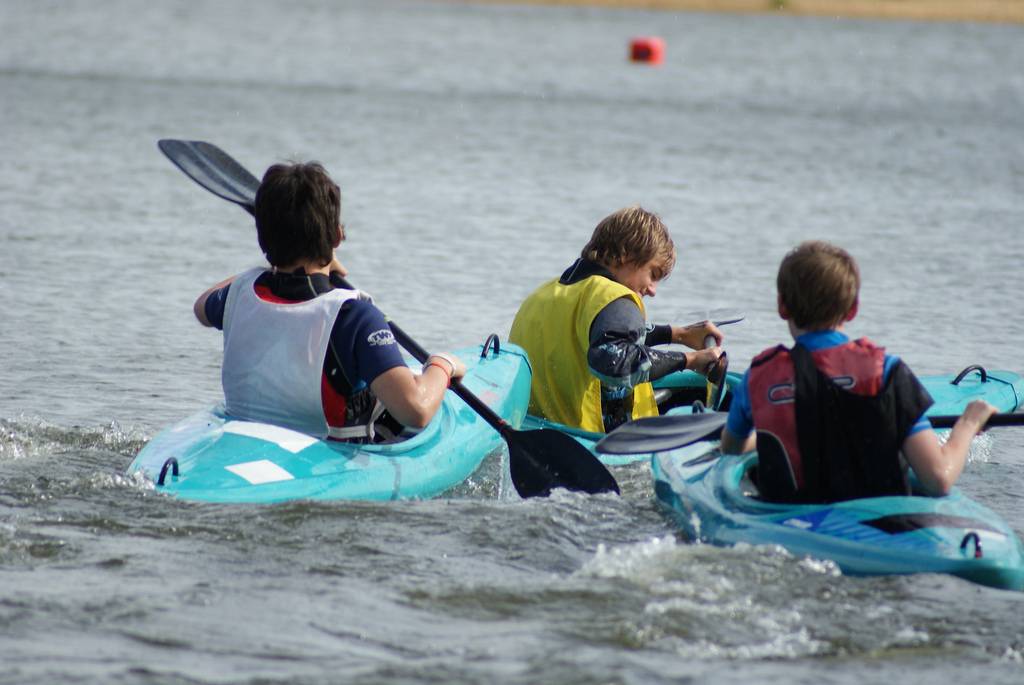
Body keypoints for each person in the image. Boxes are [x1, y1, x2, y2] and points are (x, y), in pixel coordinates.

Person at [193, 161, 466, 442]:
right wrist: (441, 365)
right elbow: (415, 411)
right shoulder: (354, 317)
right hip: (321, 460)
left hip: (244, 439)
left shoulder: (237, 294)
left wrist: (269, 267)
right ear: (337, 236)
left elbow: (201, 307)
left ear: (262, 239)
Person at [720, 240, 996, 502]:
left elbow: (731, 449)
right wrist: (969, 423)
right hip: (881, 530)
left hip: (788, 525)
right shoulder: (887, 372)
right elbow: (938, 479)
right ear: (853, 310)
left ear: (782, 307)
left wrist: (767, 438)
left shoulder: (759, 376)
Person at [509, 205, 724, 434]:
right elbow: (614, 363)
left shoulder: (545, 293)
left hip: (531, 432)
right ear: (626, 255)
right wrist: (689, 360)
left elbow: (603, 333)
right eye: (653, 274)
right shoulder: (615, 298)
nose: (653, 290)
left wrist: (678, 334)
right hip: (589, 448)